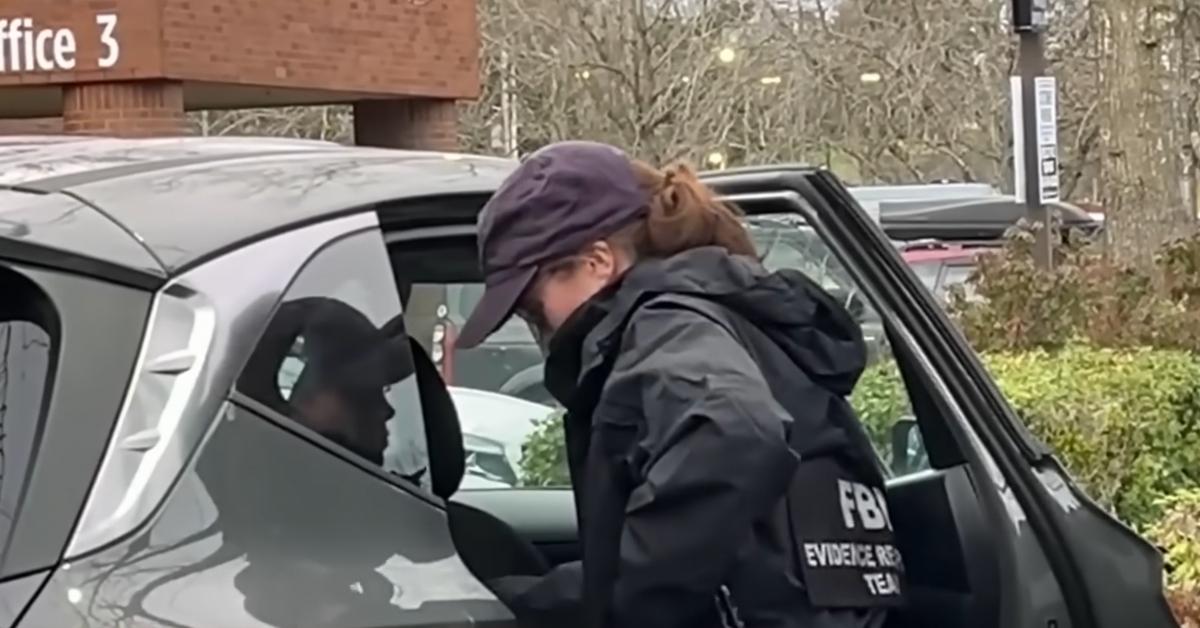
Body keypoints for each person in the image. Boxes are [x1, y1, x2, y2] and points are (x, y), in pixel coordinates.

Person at [455, 141, 906, 628]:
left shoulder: (665, 325)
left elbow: (735, 432)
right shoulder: (730, 317)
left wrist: (613, 598)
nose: (536, 327)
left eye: (531, 305)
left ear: (596, 262)